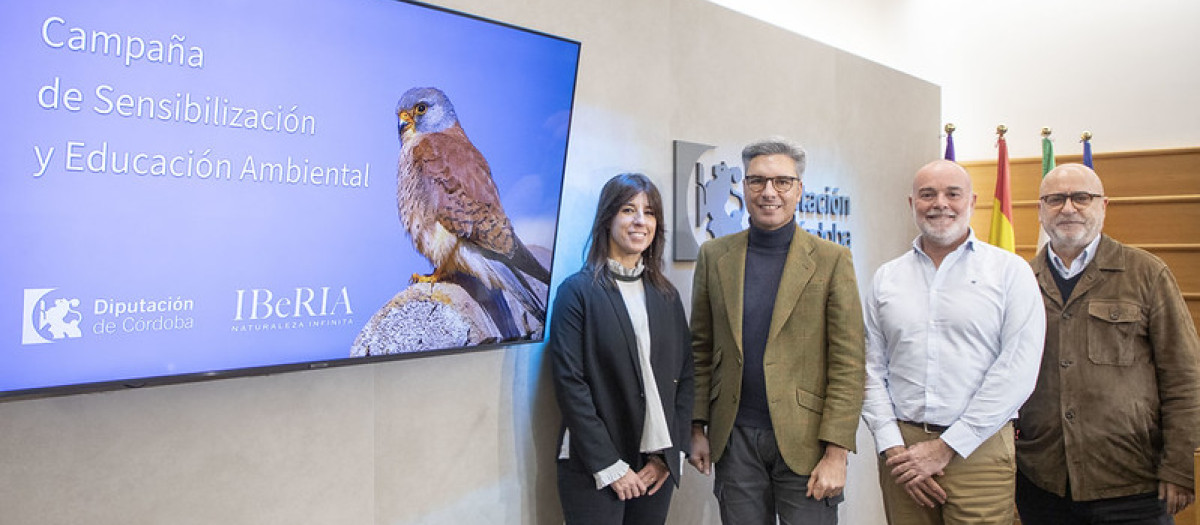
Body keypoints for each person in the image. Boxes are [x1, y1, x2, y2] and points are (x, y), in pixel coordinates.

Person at [689, 137, 865, 524]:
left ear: (799, 189)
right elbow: (700, 349)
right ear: (744, 186)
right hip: (734, 440)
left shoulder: (833, 260)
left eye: (782, 182)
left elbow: (849, 364)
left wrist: (837, 454)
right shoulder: (714, 256)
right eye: (757, 181)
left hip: (807, 442)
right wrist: (696, 426)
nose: (769, 192)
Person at [861, 159, 1045, 524]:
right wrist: (892, 447)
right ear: (911, 203)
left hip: (980, 449)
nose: (940, 203)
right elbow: (869, 367)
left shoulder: (1010, 273)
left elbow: (1017, 371)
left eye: (952, 194)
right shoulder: (887, 279)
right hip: (904, 453)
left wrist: (948, 447)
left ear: (972, 202)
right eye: (927, 194)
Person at [1015, 163, 1200, 524]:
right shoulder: (1019, 280)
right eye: (1055, 199)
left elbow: (1183, 375)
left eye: (1081, 197)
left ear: (1103, 206)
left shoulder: (1147, 274)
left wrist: (1179, 465)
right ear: (1040, 211)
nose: (1068, 208)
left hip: (1131, 481)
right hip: (1042, 482)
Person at [549, 173, 694, 525]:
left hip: (653, 468)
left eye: (650, 212)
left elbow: (687, 376)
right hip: (593, 465)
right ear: (608, 217)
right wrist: (610, 466)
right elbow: (571, 385)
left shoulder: (666, 295)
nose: (640, 221)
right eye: (629, 209)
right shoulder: (577, 292)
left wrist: (669, 456)